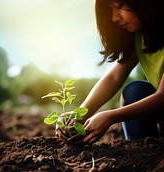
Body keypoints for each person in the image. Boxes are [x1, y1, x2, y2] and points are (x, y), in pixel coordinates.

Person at [56, 0, 164, 144]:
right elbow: (114, 77)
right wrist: (80, 113)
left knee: (135, 91)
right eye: (110, 10)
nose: (114, 17)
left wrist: (111, 116)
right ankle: (142, 153)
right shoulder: (139, 36)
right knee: (135, 92)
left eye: (119, 6)